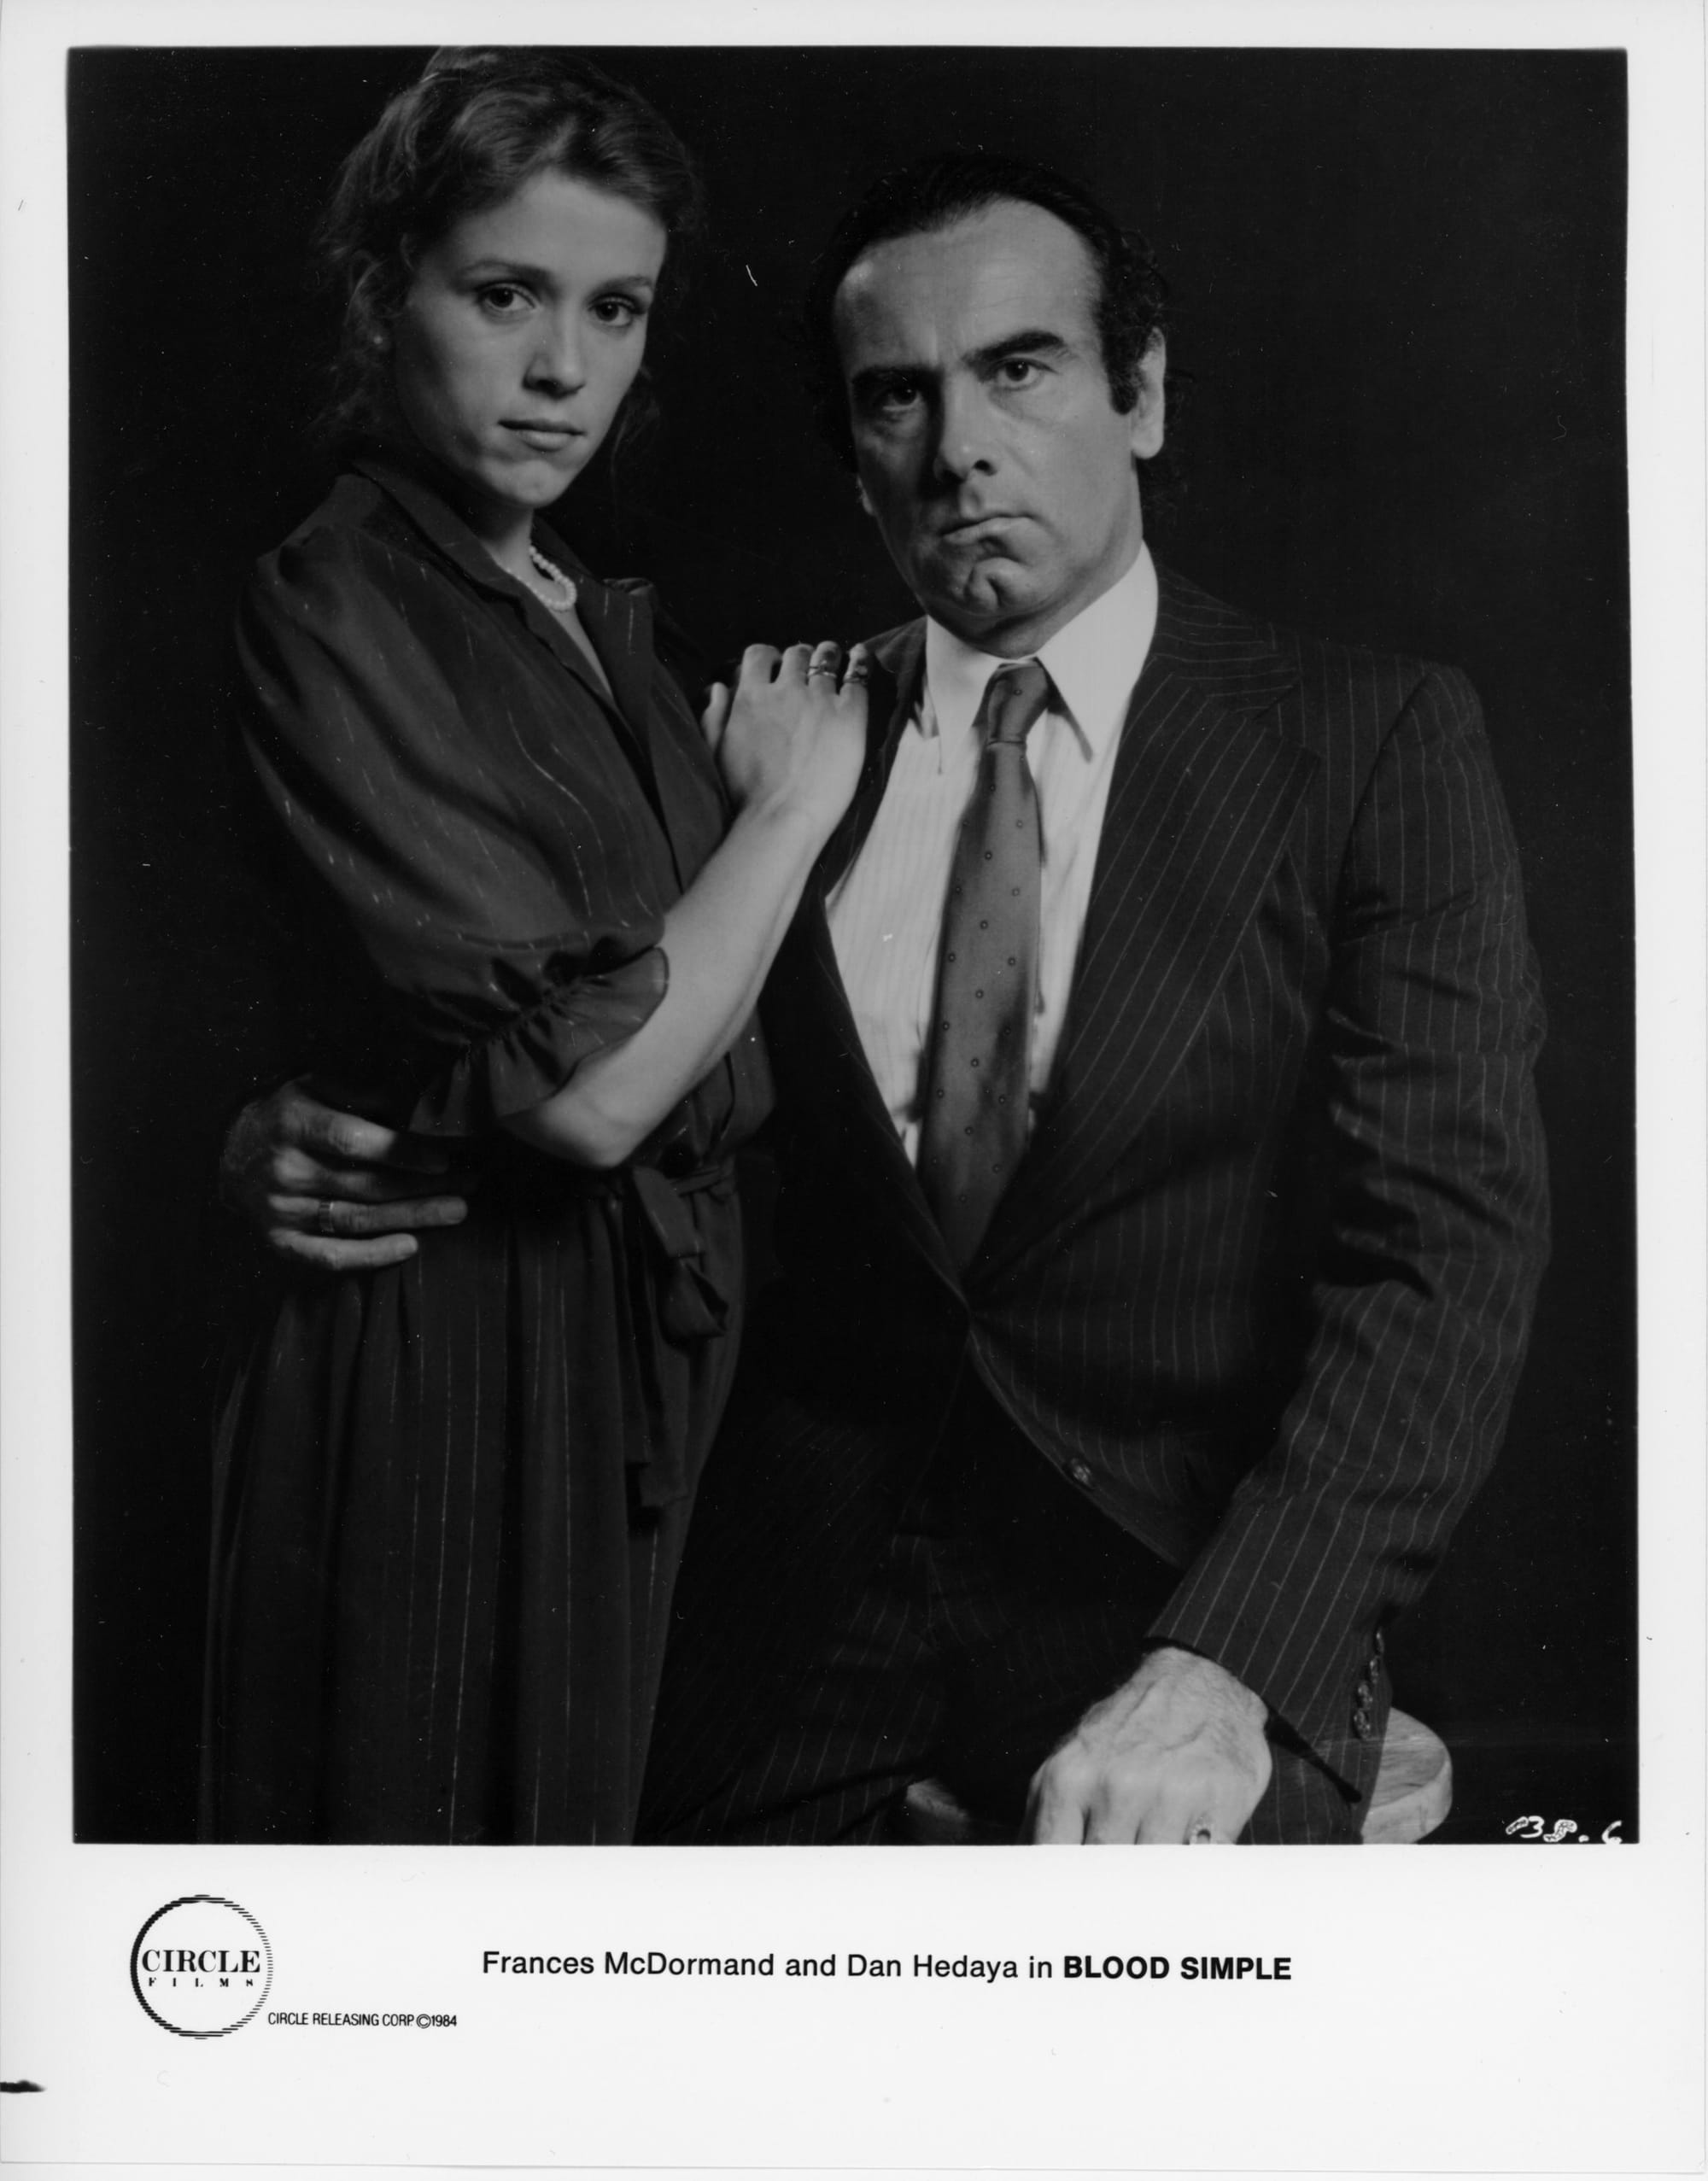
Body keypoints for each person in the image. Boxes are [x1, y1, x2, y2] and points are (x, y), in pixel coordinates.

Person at [227, 151, 1549, 1846]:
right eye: (894, 398)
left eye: (1020, 369)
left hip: (1181, 1571)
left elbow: (1444, 1255)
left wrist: (1228, 1660)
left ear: (1138, 395)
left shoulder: (1364, 741)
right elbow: (552, 1028)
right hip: (784, 1581)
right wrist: (275, 1129)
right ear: (856, 461)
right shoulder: (757, 744)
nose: (959, 447)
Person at [201, 48, 867, 1845]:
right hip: (459, 1350)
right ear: (383, 289)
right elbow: (583, 1105)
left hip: (643, 1351)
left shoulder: (582, 607)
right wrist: (786, 818)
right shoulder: (339, 588)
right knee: (437, 1876)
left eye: (616, 307)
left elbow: (692, 1020)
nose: (564, 366)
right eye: (504, 293)